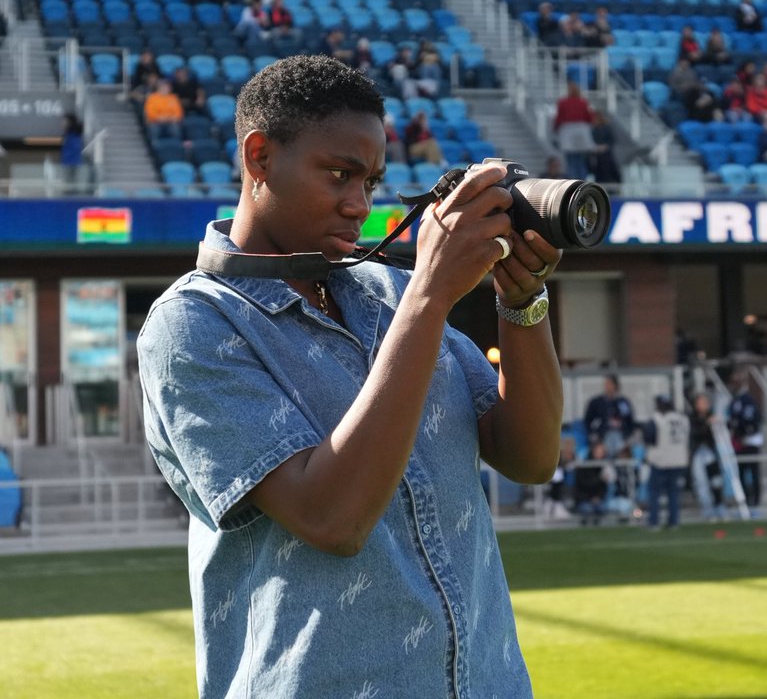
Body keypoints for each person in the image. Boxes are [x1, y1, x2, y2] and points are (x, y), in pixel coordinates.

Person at [138, 55, 563, 696]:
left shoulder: (390, 292)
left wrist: (521, 302)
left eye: (371, 182)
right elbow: (334, 519)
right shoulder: (192, 325)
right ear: (259, 158)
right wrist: (427, 297)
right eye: (339, 175)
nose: (358, 204)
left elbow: (531, 456)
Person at [644, 395, 690, 530]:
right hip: (678, 460)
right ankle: (674, 521)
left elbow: (649, 438)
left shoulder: (657, 419)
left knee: (654, 492)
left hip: (661, 460)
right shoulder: (683, 419)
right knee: (673, 493)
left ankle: (654, 522)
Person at [728, 371, 763, 510]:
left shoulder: (748, 400)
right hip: (739, 441)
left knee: (753, 470)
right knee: (741, 471)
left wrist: (743, 433)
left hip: (750, 440)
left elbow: (752, 420)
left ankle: (755, 499)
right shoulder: (735, 400)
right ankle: (745, 498)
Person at [688, 393, 723, 520]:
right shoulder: (692, 418)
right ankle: (708, 510)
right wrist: (706, 424)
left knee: (716, 481)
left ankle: (719, 507)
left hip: (710, 452)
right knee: (701, 482)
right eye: (701, 402)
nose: (704, 405)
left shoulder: (712, 416)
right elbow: (695, 433)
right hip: (698, 452)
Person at [584, 373, 636, 457]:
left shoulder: (623, 402)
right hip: (602, 437)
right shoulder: (596, 402)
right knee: (599, 452)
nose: (607, 386)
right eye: (606, 384)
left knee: (625, 452)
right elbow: (588, 420)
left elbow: (630, 421)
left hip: (621, 436)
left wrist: (627, 436)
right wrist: (595, 437)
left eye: (609, 384)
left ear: (615, 385)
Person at [554, 81, 594, 181]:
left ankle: (573, 183)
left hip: (568, 130)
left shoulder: (563, 102)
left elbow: (559, 117)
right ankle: (582, 182)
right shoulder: (583, 102)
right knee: (580, 160)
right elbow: (589, 117)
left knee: (571, 160)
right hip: (581, 130)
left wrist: (556, 128)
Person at [573, 440, 613, 525]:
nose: (601, 454)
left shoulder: (603, 467)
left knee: (602, 508)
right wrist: (590, 498)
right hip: (584, 499)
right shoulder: (584, 466)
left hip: (598, 500)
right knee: (587, 509)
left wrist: (598, 497)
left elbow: (604, 487)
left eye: (602, 451)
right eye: (598, 451)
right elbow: (582, 485)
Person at [60, 113, 85, 189]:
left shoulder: (74, 137)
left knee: (71, 185)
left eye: (64, 122)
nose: (62, 124)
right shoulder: (68, 136)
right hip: (68, 164)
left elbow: (74, 150)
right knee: (68, 185)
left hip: (72, 164)